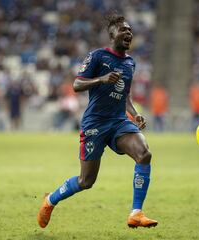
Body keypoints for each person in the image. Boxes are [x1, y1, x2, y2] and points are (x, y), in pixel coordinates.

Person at [37, 14, 158, 229]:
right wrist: (101, 79)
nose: (128, 33)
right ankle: (50, 201)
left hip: (119, 122)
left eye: (130, 30)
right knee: (86, 181)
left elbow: (125, 95)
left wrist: (134, 114)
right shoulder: (97, 56)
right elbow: (77, 84)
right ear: (112, 35)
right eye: (123, 30)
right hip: (95, 124)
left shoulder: (130, 63)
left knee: (144, 154)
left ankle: (136, 213)